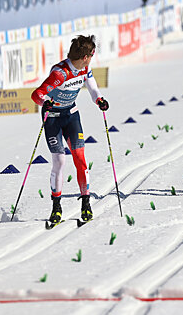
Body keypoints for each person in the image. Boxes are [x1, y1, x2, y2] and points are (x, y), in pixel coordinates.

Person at [31, 35, 109, 225]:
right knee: (59, 161)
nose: (91, 59)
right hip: (53, 118)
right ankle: (56, 208)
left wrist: (99, 99)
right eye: (91, 56)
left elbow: (92, 88)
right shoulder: (60, 73)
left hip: (71, 115)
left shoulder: (84, 69)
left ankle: (86, 204)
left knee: (80, 158)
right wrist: (45, 102)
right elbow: (36, 94)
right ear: (84, 56)